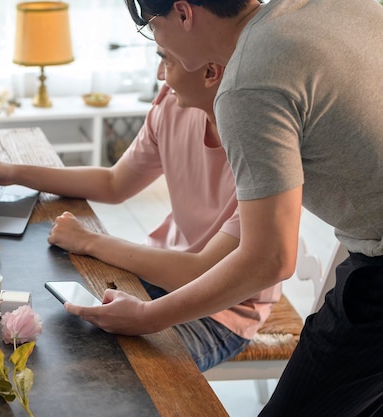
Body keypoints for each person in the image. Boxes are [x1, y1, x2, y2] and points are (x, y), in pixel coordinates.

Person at [104, 1, 381, 416]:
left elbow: (269, 260)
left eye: (151, 27)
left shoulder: (246, 86)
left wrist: (146, 317)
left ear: (183, 13)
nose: (159, 48)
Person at [0, 48, 281, 372]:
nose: (160, 75)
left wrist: (89, 240)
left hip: (220, 312)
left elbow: (199, 274)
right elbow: (113, 183)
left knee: (110, 373)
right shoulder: (173, 106)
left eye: (166, 59)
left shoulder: (264, 152)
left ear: (210, 72)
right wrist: (13, 173)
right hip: (157, 273)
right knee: (56, 331)